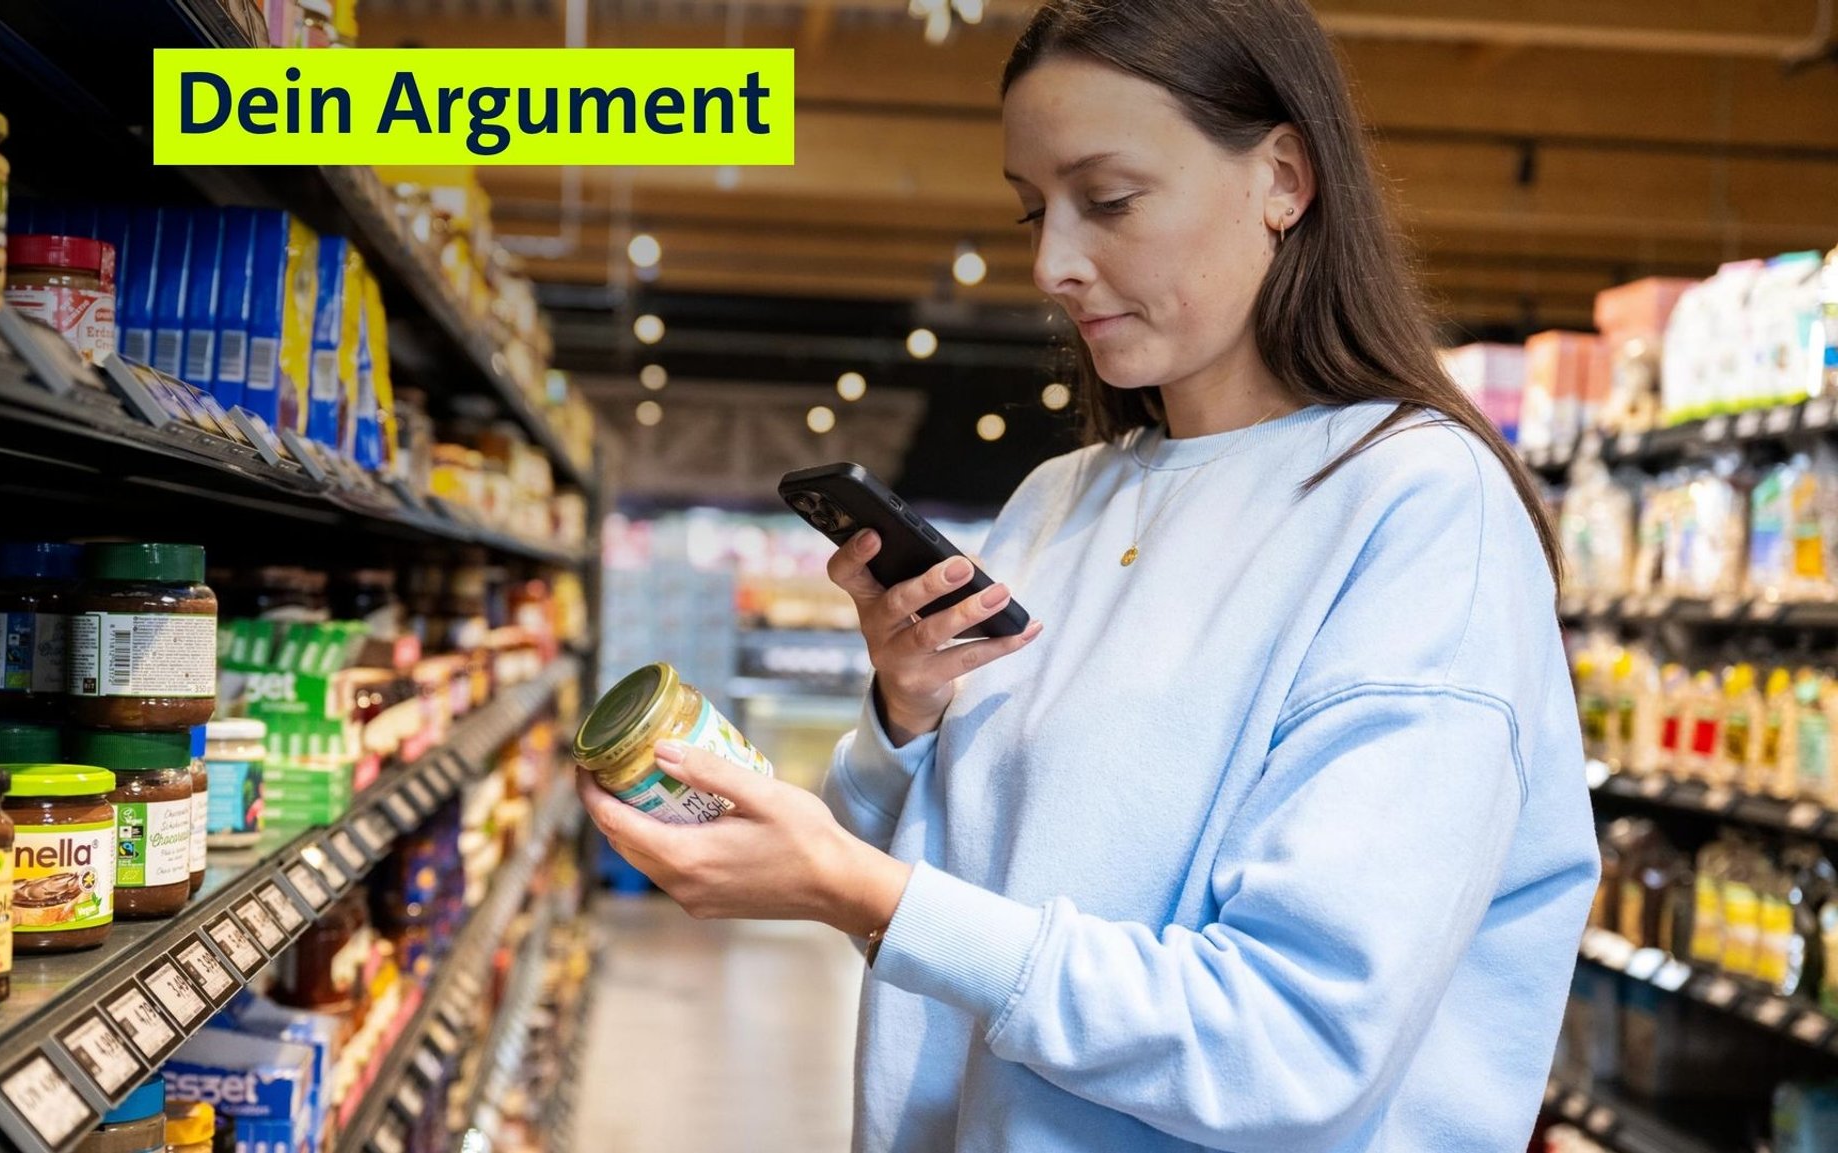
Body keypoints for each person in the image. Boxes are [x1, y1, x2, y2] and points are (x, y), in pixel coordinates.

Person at [576, 0, 1600, 1149]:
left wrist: (865, 891)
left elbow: (1293, 1041)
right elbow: (934, 896)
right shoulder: (1058, 502)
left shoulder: (1413, 508)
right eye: (1032, 210)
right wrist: (901, 716)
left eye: (1107, 201)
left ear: (1282, 177)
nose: (1053, 263)